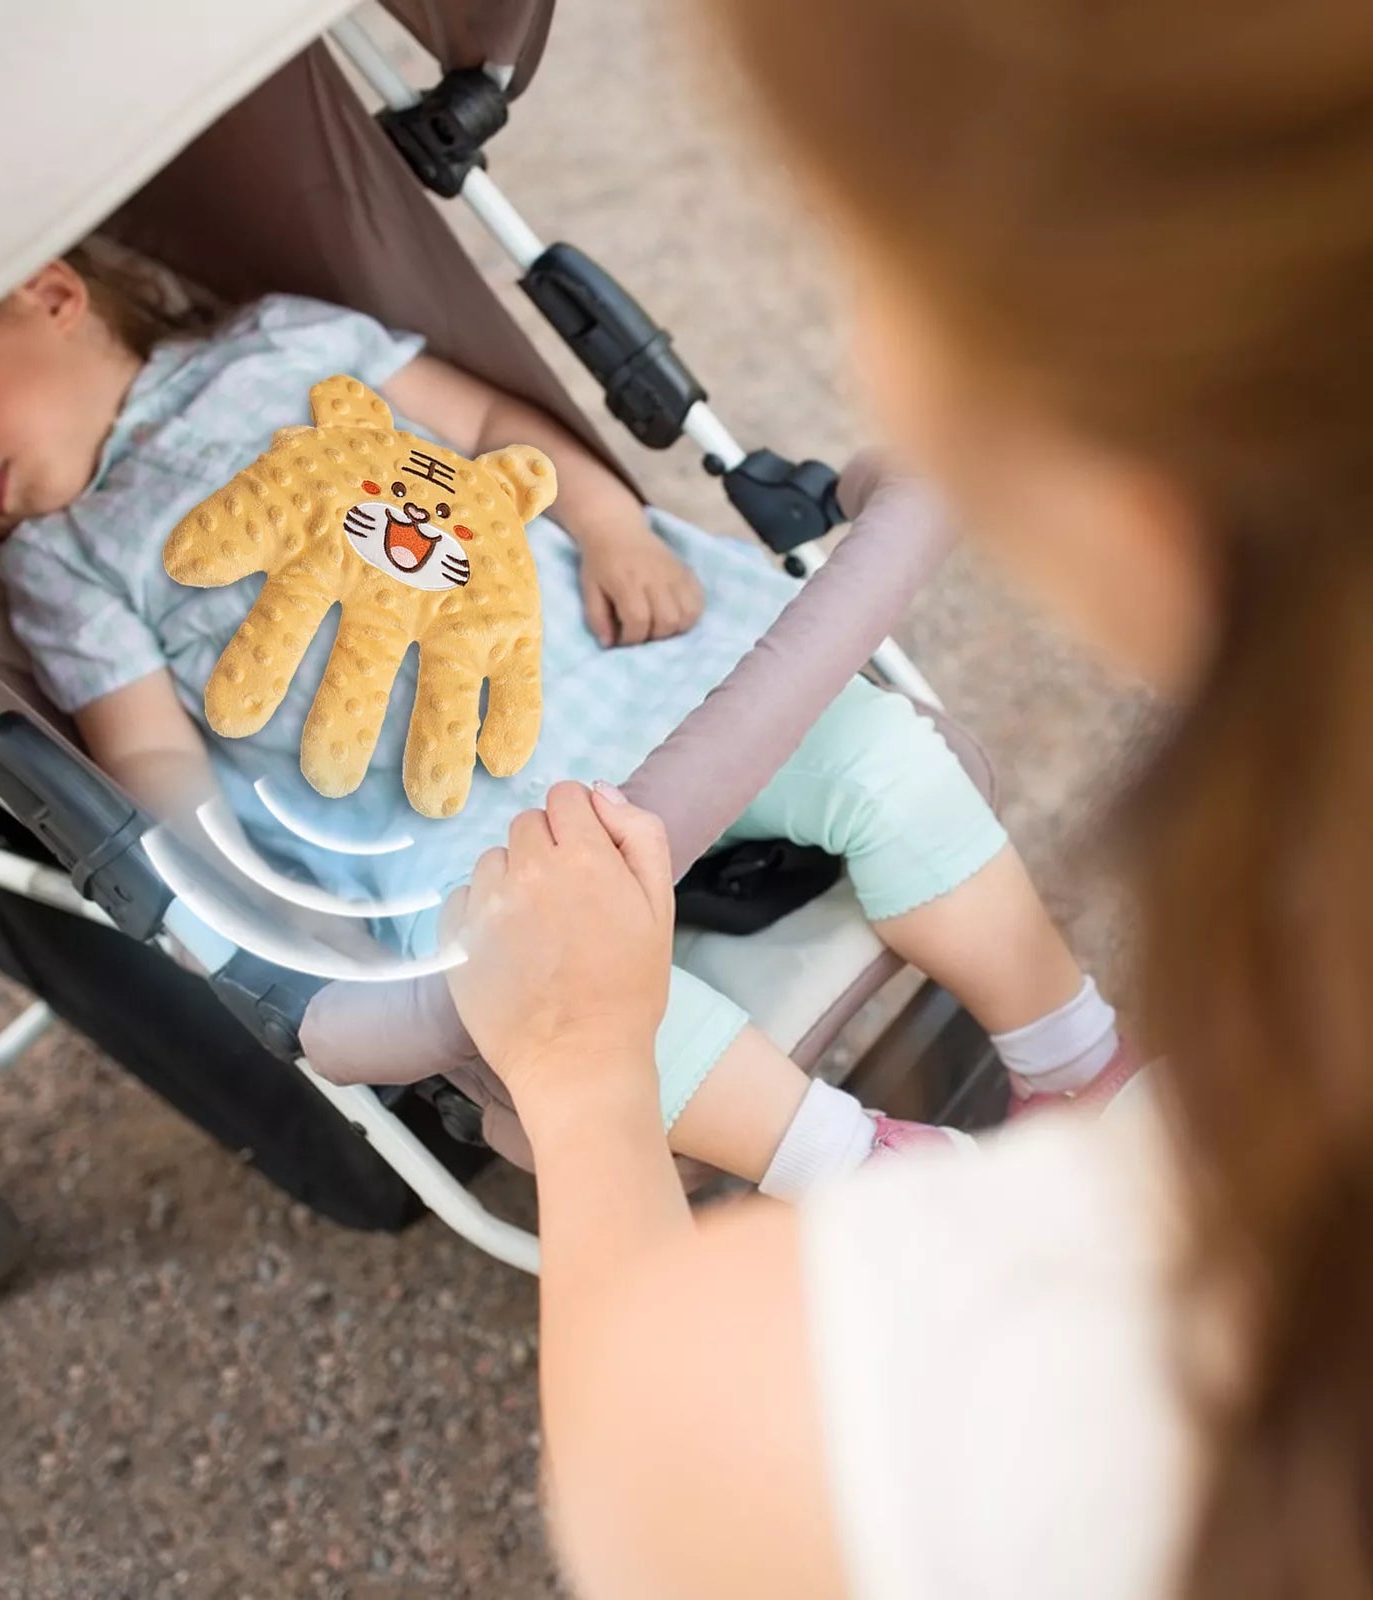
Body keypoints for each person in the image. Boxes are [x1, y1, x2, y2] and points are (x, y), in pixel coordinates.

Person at [442, 0, 1373, 1596]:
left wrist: (583, 1085)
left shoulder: (926, 1409)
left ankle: (928, 1119)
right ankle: (1058, 1059)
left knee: (848, 783)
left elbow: (642, 1444)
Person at [0, 253, 1128, 1188]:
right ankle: (877, 1177)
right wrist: (228, 880)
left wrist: (609, 522)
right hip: (440, 815)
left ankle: (1074, 1059)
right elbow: (148, 745)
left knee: (874, 750)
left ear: (47, 294)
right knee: (563, 1021)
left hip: (615, 669)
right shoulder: (63, 559)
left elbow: (489, 431)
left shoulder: (279, 344)